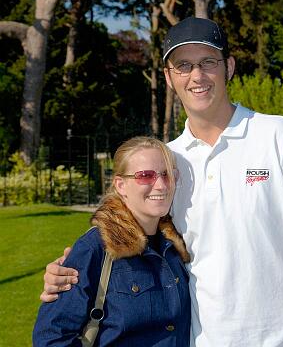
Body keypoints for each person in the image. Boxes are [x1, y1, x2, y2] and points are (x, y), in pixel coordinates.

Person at [41, 17, 283, 347]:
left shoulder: (279, 135)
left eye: (208, 62)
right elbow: (117, 231)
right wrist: (71, 270)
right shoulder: (167, 164)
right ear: (169, 77)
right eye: (184, 66)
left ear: (229, 67)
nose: (197, 76)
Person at [33, 136, 191, 346]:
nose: (161, 185)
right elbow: (51, 337)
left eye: (167, 174)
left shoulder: (175, 244)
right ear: (121, 185)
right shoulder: (96, 248)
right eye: (146, 176)